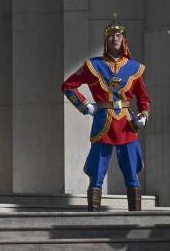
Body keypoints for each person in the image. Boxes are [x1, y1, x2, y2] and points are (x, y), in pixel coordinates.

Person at [61, 14, 151, 211]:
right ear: (105, 40)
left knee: (131, 170)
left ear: (123, 39)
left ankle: (136, 217)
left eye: (118, 35)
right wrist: (85, 106)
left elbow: (143, 98)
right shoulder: (93, 65)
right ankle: (93, 214)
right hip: (103, 122)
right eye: (111, 35)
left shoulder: (135, 68)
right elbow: (68, 85)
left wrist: (143, 114)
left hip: (127, 123)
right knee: (98, 169)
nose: (115, 38)